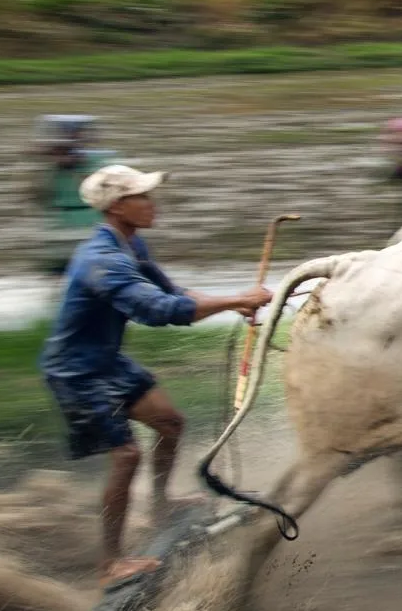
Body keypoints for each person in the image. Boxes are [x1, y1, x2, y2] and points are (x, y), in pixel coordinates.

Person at [39, 165, 274, 587]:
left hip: (106, 359)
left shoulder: (130, 243)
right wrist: (236, 298)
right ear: (117, 207)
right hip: (76, 370)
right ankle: (110, 563)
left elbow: (172, 292)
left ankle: (162, 504)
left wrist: (232, 302)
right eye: (142, 196)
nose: (152, 203)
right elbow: (158, 311)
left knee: (171, 422)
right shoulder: (103, 261)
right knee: (127, 454)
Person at [31, 115, 111, 276]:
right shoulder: (49, 167)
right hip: (60, 229)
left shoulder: (98, 160)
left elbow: (107, 191)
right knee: (61, 274)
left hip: (90, 226)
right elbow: (36, 196)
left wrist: (76, 165)